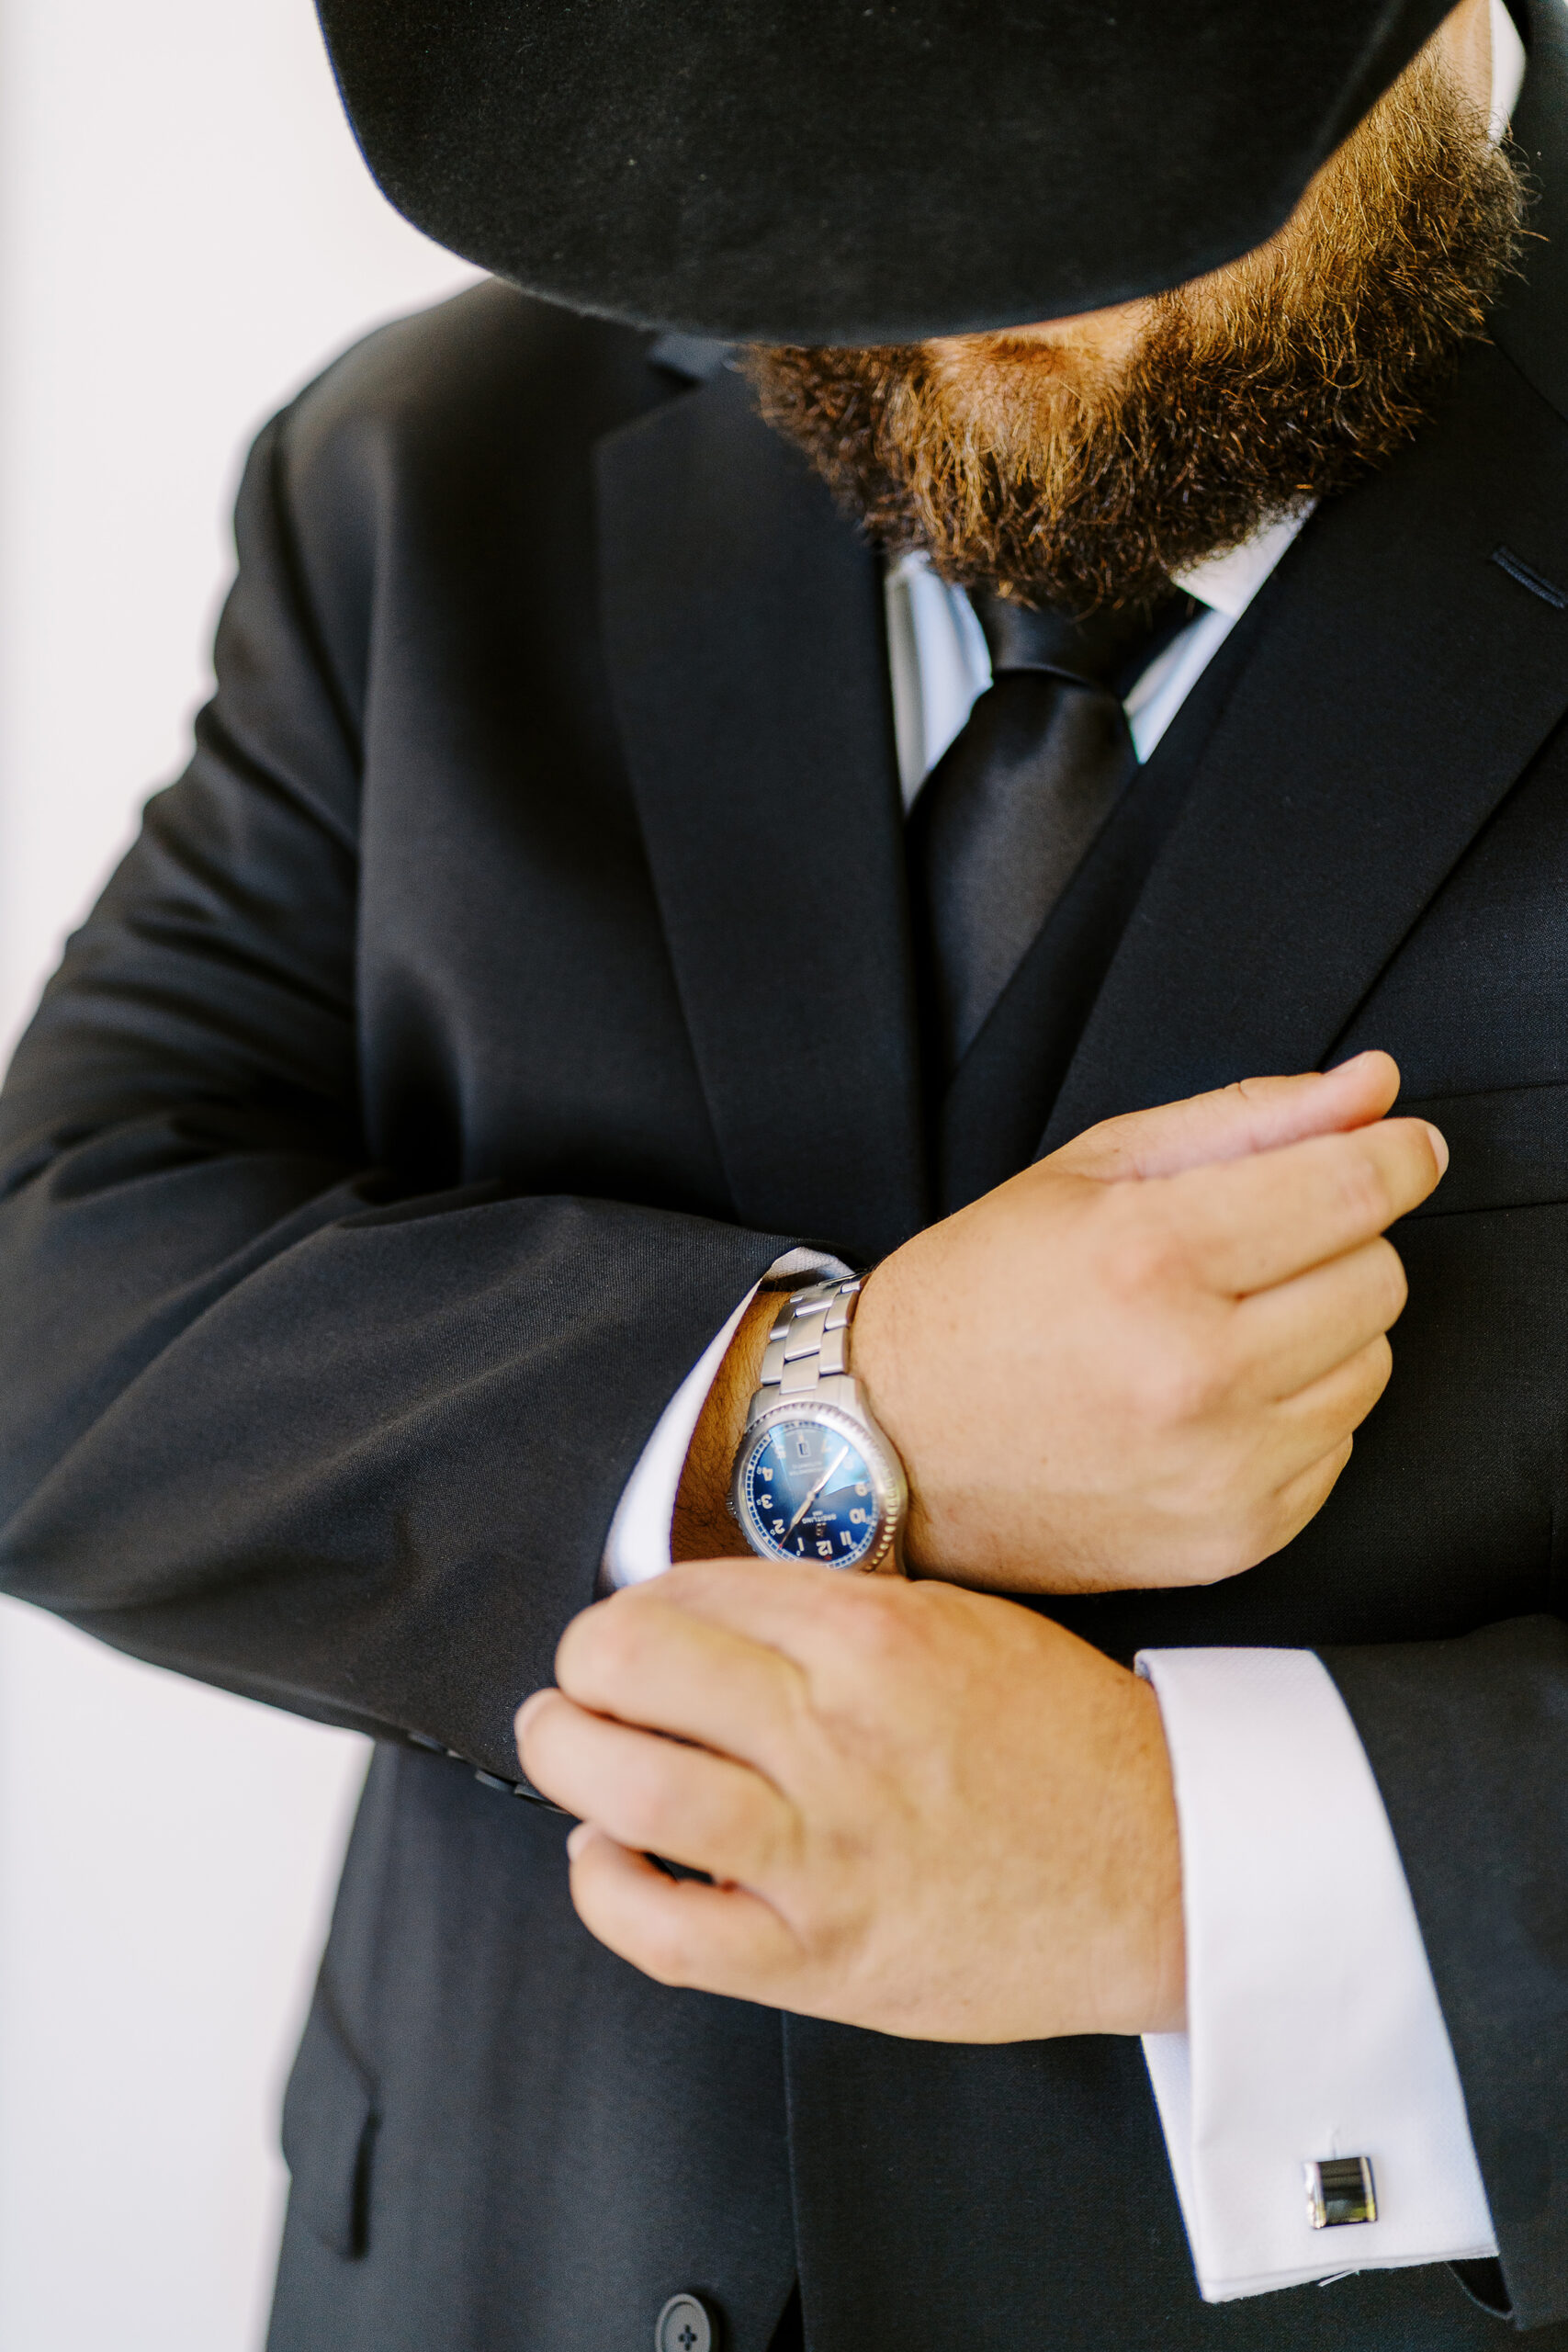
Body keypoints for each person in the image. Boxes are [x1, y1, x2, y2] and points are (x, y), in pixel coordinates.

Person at [1, 0, 1565, 2342]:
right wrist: (825, 1416)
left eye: (1066, 157)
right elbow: (48, 1310)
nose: (931, 293)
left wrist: (1183, 1868)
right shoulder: (419, 473)